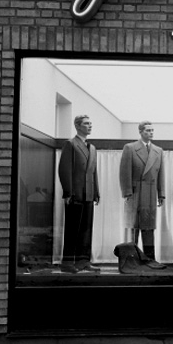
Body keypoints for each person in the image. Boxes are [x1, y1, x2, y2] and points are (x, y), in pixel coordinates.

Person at [57, 115, 100, 273]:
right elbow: (64, 169)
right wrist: (68, 192)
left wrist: (96, 192)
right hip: (75, 194)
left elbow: (94, 172)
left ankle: (83, 261)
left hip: (88, 194)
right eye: (86, 123)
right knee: (72, 230)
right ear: (77, 126)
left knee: (86, 230)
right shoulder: (70, 144)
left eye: (90, 123)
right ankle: (67, 263)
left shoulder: (92, 148)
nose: (90, 126)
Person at [119, 121, 165, 266]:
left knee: (149, 227)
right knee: (133, 227)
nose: (151, 133)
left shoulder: (158, 150)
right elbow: (124, 172)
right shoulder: (130, 148)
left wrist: (161, 194)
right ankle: (131, 259)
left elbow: (161, 174)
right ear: (140, 132)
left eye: (152, 130)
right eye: (148, 130)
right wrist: (127, 192)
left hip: (150, 192)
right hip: (135, 192)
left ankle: (149, 259)